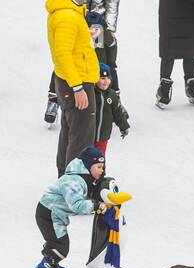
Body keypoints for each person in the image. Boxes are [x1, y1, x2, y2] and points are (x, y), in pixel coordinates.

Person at [32, 146, 107, 268]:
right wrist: (95, 206)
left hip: (55, 214)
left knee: (58, 243)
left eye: (102, 167)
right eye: (98, 167)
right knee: (60, 245)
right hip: (48, 214)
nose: (101, 170)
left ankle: (52, 266)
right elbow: (76, 205)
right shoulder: (73, 181)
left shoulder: (85, 179)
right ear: (87, 166)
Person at [47, 0, 100, 176]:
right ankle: (74, 183)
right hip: (76, 83)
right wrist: (78, 88)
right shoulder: (67, 16)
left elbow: (75, 49)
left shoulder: (73, 12)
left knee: (72, 131)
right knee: (82, 137)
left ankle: (64, 179)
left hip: (74, 81)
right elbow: (63, 55)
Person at [46, 0, 120, 125]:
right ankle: (53, 99)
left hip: (98, 23)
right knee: (66, 58)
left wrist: (110, 27)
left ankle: (112, 101)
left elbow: (112, 2)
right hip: (77, 17)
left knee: (105, 62)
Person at [157, 0, 194, 108]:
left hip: (193, 8)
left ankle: (191, 86)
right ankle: (163, 87)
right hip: (171, 8)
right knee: (170, 46)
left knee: (192, 46)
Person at [93, 63, 129, 157]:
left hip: (103, 135)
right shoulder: (91, 93)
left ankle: (101, 171)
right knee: (88, 158)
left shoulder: (112, 95)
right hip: (89, 135)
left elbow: (117, 113)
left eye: (108, 78)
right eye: (102, 78)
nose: (106, 81)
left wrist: (124, 126)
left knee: (100, 157)